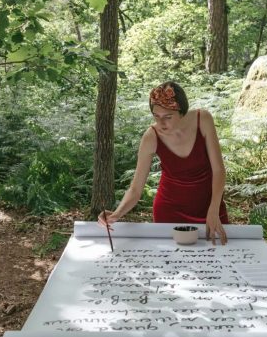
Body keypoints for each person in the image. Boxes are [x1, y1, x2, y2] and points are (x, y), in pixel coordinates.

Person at [98, 82, 229, 245]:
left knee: (219, 258)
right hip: (170, 210)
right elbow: (136, 188)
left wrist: (214, 209)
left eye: (168, 117)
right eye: (156, 116)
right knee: (171, 263)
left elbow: (218, 170)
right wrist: (116, 214)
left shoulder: (203, 119)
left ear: (181, 111)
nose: (161, 124)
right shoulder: (151, 137)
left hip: (211, 206)